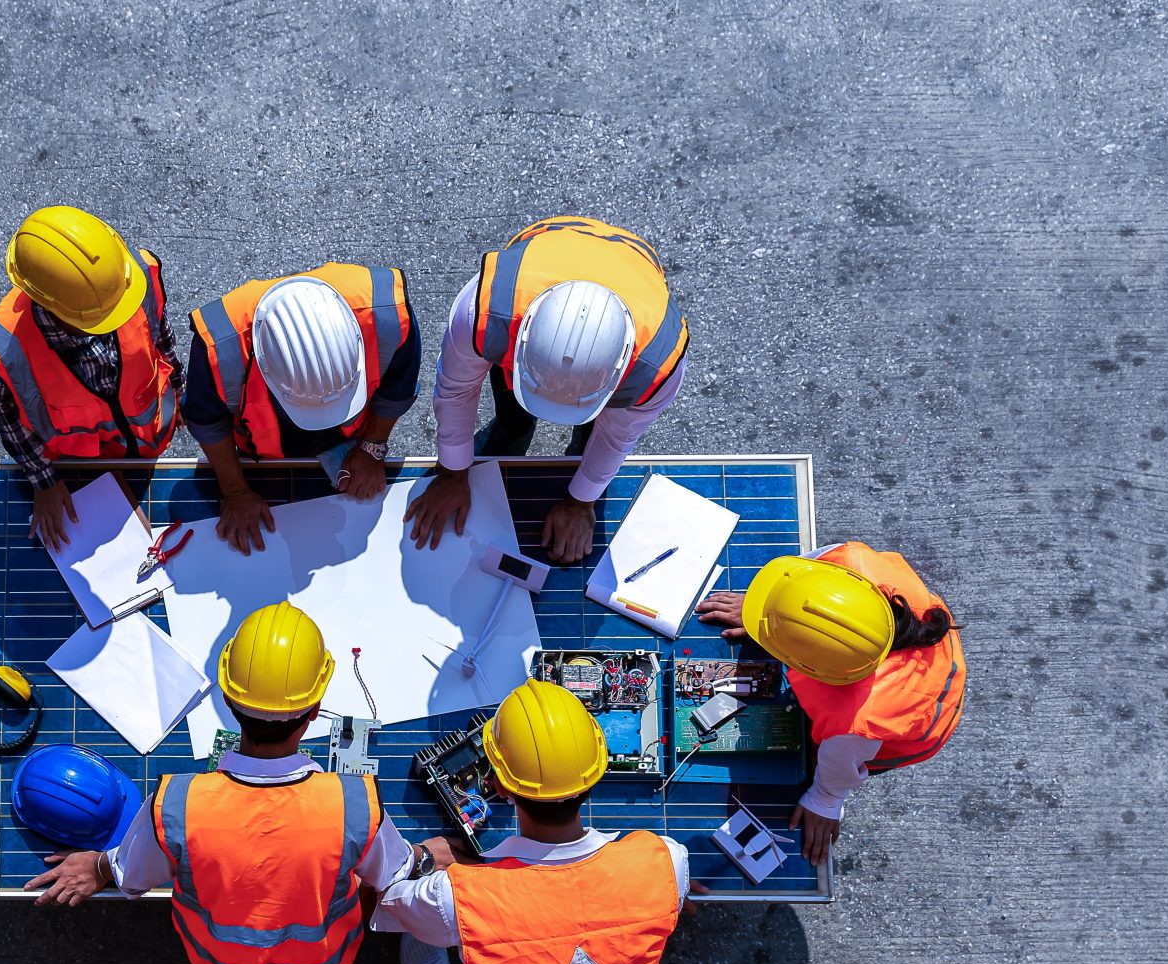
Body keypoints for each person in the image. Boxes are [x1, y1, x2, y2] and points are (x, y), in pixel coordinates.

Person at [24, 602, 407, 964]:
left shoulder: (176, 805)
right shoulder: (356, 807)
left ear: (227, 700)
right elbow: (394, 877)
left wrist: (98, 868)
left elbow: (133, 873)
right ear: (315, 709)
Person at [375, 681, 693, 964]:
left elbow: (393, 903)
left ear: (500, 788)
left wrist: (426, 861)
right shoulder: (666, 860)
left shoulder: (462, 899)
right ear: (597, 774)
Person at [404, 216, 690, 564]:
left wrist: (581, 502)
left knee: (592, 441)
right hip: (551, 239)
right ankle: (511, 435)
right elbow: (456, 391)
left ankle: (571, 454)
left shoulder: (658, 365)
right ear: (523, 341)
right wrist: (453, 472)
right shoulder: (484, 311)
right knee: (515, 419)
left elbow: (615, 437)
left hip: (636, 263)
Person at [694, 542, 966, 865]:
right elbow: (802, 581)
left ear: (815, 671)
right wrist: (767, 609)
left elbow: (839, 767)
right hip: (937, 657)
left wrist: (824, 799)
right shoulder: (849, 561)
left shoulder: (856, 722)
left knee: (821, 756)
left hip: (924, 726)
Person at [0, 206, 181, 551]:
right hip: (76, 471)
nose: (118, 316)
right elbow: (5, 416)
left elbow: (160, 333)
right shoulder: (6, 352)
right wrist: (45, 481)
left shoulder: (135, 274)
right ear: (50, 306)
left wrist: (180, 388)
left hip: (149, 444)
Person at [184, 263, 420, 552]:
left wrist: (372, 447)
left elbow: (397, 389)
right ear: (264, 365)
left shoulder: (387, 315)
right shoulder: (220, 347)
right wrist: (235, 490)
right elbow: (208, 422)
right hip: (261, 454)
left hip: (353, 437)